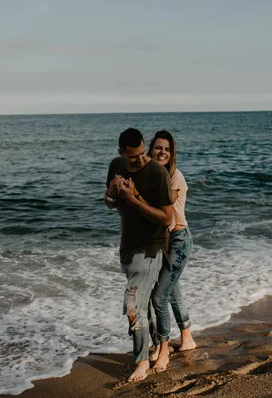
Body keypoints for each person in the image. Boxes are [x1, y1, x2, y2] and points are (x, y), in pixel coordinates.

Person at [104, 128, 174, 383]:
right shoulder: (115, 165)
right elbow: (110, 203)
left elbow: (167, 218)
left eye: (142, 154)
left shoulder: (156, 172)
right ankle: (157, 345)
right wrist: (112, 193)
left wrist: (133, 199)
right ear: (121, 153)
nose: (139, 160)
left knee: (131, 306)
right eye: (132, 158)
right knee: (143, 306)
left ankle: (141, 361)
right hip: (127, 248)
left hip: (152, 247)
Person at [147, 130, 197, 372]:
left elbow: (164, 212)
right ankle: (187, 339)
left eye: (166, 149)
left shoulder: (175, 177)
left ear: (171, 153)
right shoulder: (151, 176)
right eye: (158, 148)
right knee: (173, 290)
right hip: (162, 242)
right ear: (151, 150)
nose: (162, 152)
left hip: (178, 240)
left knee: (159, 296)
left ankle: (163, 350)